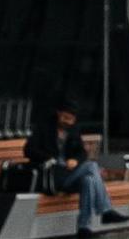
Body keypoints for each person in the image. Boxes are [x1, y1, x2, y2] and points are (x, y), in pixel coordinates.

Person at [23, 97, 114, 230]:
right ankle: (105, 210)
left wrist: (75, 160)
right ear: (59, 114)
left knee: (88, 180)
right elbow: (28, 150)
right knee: (92, 165)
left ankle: (84, 227)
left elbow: (82, 153)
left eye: (71, 119)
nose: (68, 122)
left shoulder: (72, 131)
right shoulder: (44, 128)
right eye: (65, 118)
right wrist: (49, 159)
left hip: (69, 175)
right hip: (52, 177)